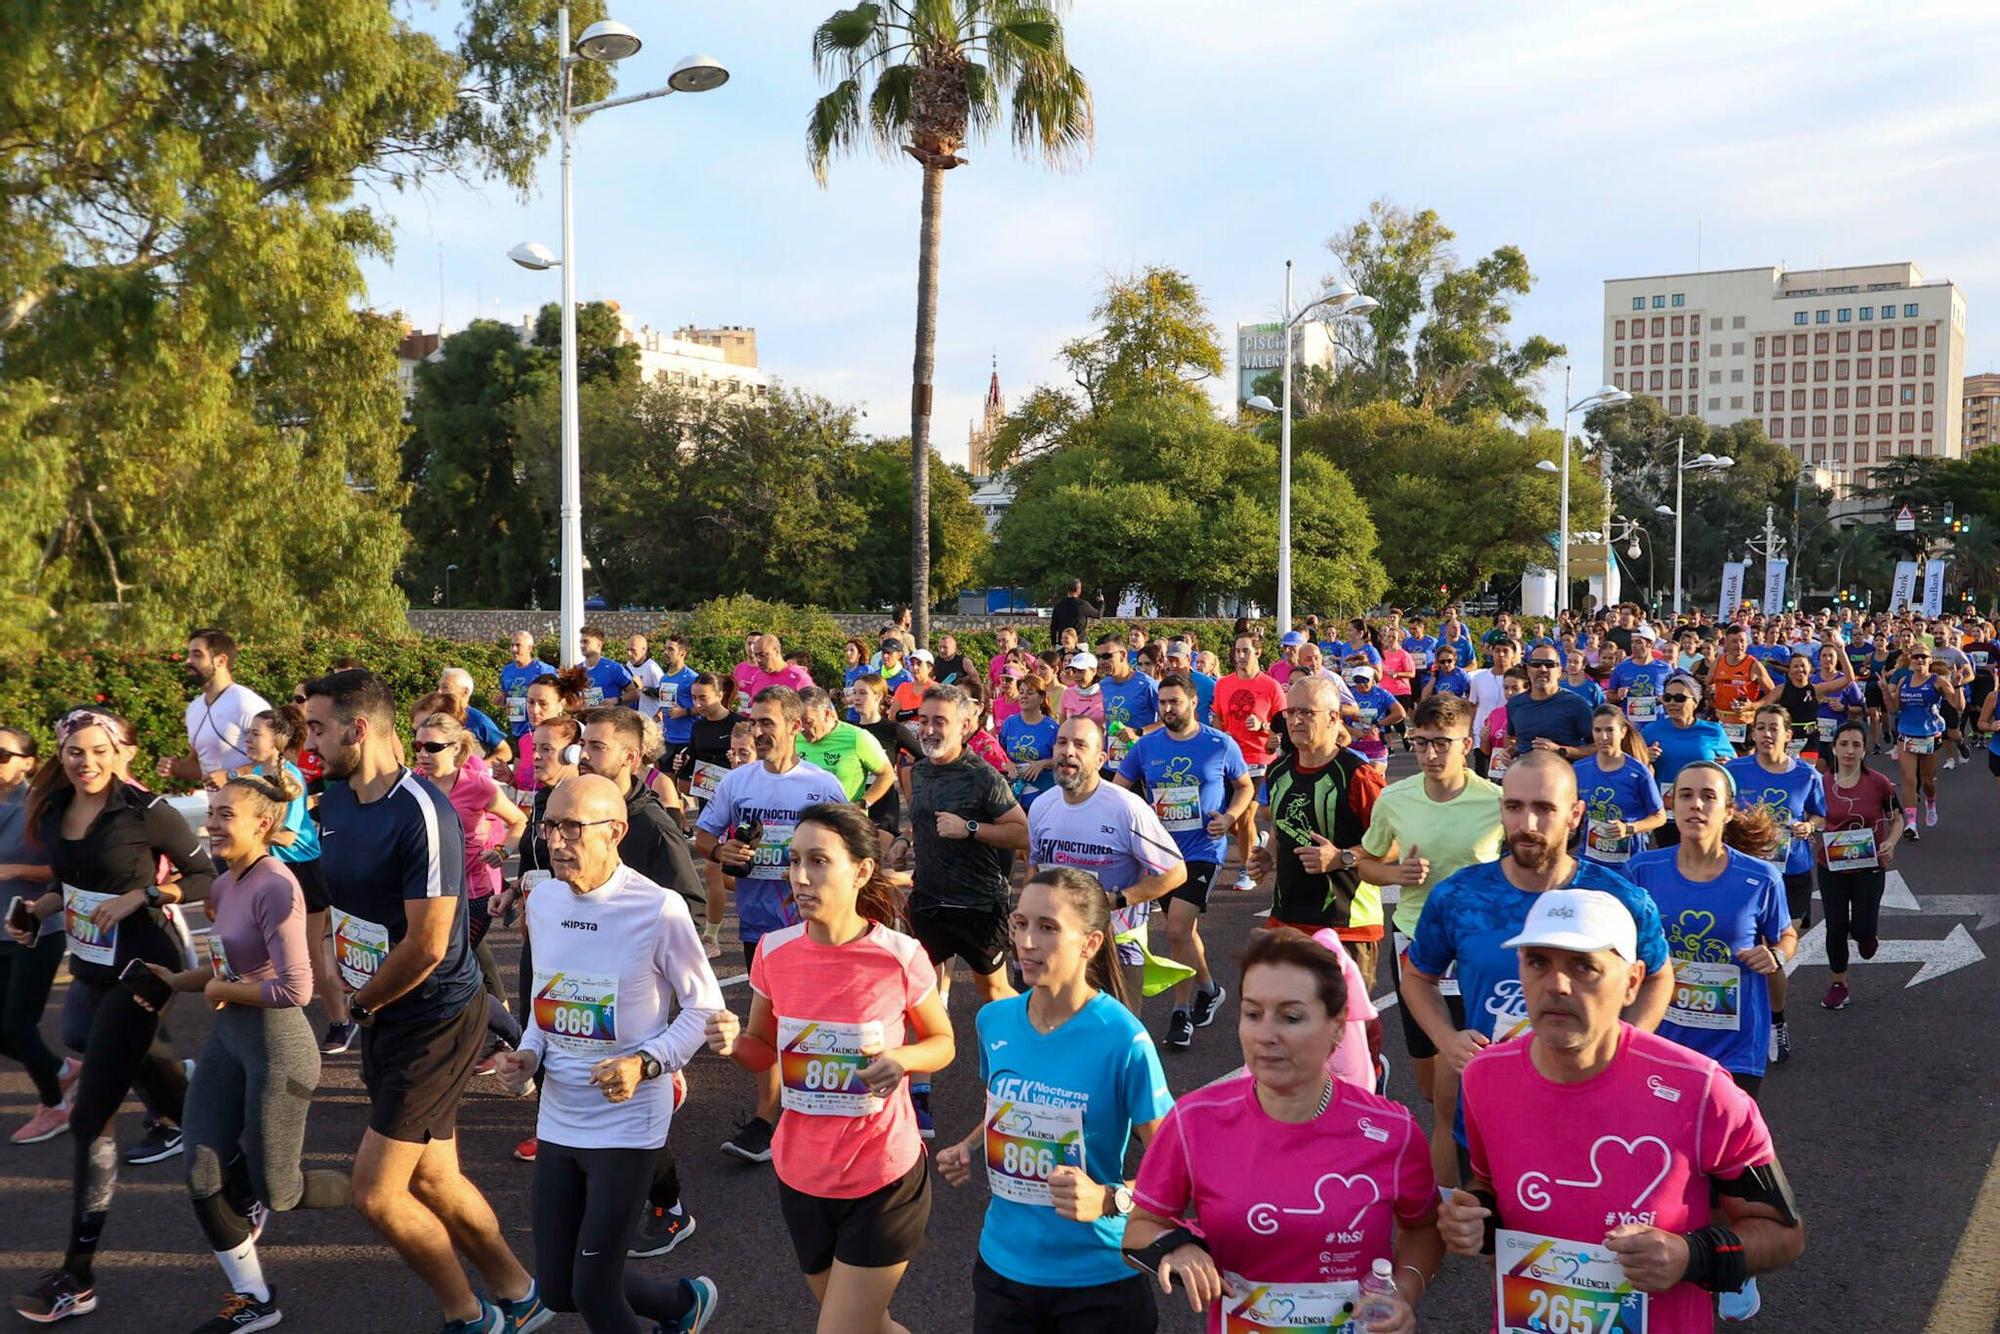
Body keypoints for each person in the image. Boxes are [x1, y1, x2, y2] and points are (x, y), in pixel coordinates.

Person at [301, 670, 550, 1334]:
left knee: (377, 1195)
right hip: (386, 1012)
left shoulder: (422, 811)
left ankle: (469, 1318)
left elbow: (430, 944)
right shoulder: (335, 797)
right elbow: (333, 895)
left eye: (319, 728)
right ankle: (522, 1294)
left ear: (358, 729)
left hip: (434, 1017)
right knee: (435, 1181)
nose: (311, 742)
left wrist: (355, 1006)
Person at [1441, 888, 1805, 1330]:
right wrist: (1475, 1219)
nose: (1556, 984)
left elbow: (1785, 1234)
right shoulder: (1484, 1077)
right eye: (1538, 962)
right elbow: (1490, 1187)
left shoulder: (1702, 1088)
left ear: (1632, 980)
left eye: (1583, 966)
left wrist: (1691, 1255)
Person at [704, 803, 953, 1334]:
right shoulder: (773, 951)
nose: (800, 876)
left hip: (882, 1174)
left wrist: (902, 1060)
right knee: (870, 1325)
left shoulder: (900, 955)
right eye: (794, 861)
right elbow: (760, 1051)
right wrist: (730, 1044)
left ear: (861, 871)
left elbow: (942, 1041)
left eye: (819, 861)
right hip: (802, 1174)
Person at [492, 774, 725, 1334]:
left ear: (615, 831)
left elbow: (704, 1008)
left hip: (628, 1121)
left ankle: (675, 1307)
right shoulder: (544, 898)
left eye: (573, 827)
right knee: (557, 1288)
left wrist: (646, 1063)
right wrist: (526, 1053)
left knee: (595, 1291)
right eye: (549, 825)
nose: (556, 840)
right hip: (559, 1114)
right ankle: (680, 1305)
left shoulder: (657, 908)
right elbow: (549, 996)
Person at [1122, 929, 1441, 1333]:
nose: (1266, 1035)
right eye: (1253, 1014)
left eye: (1291, 1017)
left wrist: (1403, 1291)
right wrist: (1176, 1247)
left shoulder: (1390, 1130)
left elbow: (1424, 1227)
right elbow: (1139, 1229)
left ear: (1337, 1027)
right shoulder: (1195, 1120)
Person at [10, 708, 215, 1323]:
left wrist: (146, 893)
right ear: (62, 753)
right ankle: (213, 1138)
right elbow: (71, 887)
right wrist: (39, 908)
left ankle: (77, 1274)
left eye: (100, 750)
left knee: (91, 1113)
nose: (88, 762)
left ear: (119, 752)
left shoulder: (144, 811)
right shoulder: (51, 810)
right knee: (93, 1041)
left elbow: (205, 874)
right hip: (92, 968)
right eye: (76, 751)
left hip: (144, 970)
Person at [1401, 751, 1672, 1187]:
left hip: (1591, 1098)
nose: (1527, 824)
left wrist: (1628, 1045)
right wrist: (1446, 1039)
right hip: (1497, 1104)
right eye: (1514, 807)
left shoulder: (1620, 898)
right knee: (1506, 1244)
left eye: (1544, 808)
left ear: (1574, 814)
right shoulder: (1459, 896)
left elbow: (1658, 974)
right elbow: (1417, 975)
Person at [147, 768, 352, 1333]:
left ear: (264, 824)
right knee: (200, 1168)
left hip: (280, 1051)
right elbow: (224, 970)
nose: (210, 825)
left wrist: (217, 990)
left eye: (223, 815)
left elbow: (296, 989)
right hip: (230, 1042)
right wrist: (177, 979)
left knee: (279, 1193)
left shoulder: (276, 885)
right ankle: (254, 1297)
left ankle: (377, 1190)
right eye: (210, 813)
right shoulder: (223, 882)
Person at [933, 867, 1172, 1332]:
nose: (1025, 942)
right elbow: (1009, 1106)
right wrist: (971, 1144)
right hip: (1004, 1270)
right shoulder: (994, 1020)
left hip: (1097, 1282)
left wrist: (1110, 1199)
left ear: (1090, 944)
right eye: (1020, 923)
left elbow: (1179, 1171)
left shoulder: (1123, 1038)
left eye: (1047, 928)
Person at [692, 686, 849, 1165]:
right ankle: (768, 1119)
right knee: (770, 1024)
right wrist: (722, 852)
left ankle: (829, 1110)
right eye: (755, 723)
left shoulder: (821, 785)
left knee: (819, 1022)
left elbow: (850, 844)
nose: (759, 732)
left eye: (768, 724)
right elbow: (703, 835)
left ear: (795, 728)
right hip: (758, 925)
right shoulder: (737, 783)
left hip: (813, 923)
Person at [1353, 694, 1503, 1109]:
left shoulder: (1497, 802)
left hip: (1478, 949)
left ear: (1466, 745)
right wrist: (1394, 874)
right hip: (1415, 945)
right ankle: (1449, 1167)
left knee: (1483, 1073)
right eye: (1421, 743)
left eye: (1442, 743)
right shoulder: (1395, 799)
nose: (1430, 754)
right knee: (1431, 1084)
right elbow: (1367, 863)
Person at [1627, 761, 1794, 1106]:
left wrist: (1776, 954)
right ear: (1673, 806)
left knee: (1727, 1154)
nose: (1696, 805)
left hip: (1736, 1046)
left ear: (1729, 811)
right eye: (1686, 795)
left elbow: (1786, 934)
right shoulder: (1642, 871)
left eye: (1708, 796)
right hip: (1662, 1041)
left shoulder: (1760, 878)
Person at [1115, 674, 1253, 1050]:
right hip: (1160, 852)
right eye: (1162, 703)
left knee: (1176, 929)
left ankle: (1182, 1012)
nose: (1167, 709)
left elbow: (1245, 786)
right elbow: (1120, 791)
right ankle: (1209, 989)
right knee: (1185, 932)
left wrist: (1229, 817)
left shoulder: (1218, 744)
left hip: (1203, 850)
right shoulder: (1146, 747)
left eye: (1174, 701)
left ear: (1193, 702)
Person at [1027, 717, 1186, 1010]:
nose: (1067, 751)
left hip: (1117, 944)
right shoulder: (1041, 806)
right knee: (1058, 1031)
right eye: (1061, 742)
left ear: (1101, 759)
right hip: (1058, 942)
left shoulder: (1126, 808)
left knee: (1117, 1041)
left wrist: (1118, 899)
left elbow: (1176, 872)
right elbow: (1035, 868)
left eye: (1080, 745)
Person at [1247, 677, 1386, 985]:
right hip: (1286, 919)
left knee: (1346, 1027)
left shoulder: (1359, 775)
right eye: (1290, 711)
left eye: (1307, 712)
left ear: (1333, 718)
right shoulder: (1278, 770)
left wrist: (1343, 857)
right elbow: (1282, 824)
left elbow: (1394, 843)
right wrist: (1269, 856)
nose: (1295, 720)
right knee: (1284, 1021)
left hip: (1345, 925)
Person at [236, 706, 353, 1056]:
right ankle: (277, 1025)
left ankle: (341, 1020)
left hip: (303, 870)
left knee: (307, 953)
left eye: (257, 733)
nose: (248, 738)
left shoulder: (291, 778)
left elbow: (287, 836)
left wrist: (248, 833)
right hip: (269, 869)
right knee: (265, 948)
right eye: (249, 732)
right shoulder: (255, 774)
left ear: (278, 741)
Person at [496, 711, 583, 1166]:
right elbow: (536, 860)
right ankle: (550, 1125)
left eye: (547, 749)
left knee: (568, 1024)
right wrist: (513, 891)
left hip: (577, 934)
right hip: (538, 927)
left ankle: (561, 1130)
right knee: (537, 1017)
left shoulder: (584, 803)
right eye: (535, 749)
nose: (537, 758)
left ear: (573, 753)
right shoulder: (543, 798)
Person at [413, 711, 528, 1040]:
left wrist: (504, 851)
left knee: (447, 964)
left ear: (455, 748)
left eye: (432, 747)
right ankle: (509, 1039)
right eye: (418, 744)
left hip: (474, 895)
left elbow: (518, 821)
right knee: (466, 964)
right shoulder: (415, 783)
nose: (422, 753)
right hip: (431, 892)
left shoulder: (477, 785)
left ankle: (504, 1037)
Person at [1726, 703, 1826, 1066]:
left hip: (1792, 875)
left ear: (1788, 735)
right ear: (1752, 733)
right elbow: (1722, 812)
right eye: (1761, 727)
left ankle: (1776, 1022)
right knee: (1744, 951)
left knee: (1773, 953)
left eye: (1774, 728)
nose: (1767, 734)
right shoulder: (1735, 771)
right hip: (1747, 876)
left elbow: (1819, 814)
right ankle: (1740, 1022)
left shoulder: (1806, 774)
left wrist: (1808, 826)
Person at [0, 729, 70, 1147]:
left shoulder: (38, 807)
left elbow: (64, 869)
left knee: (18, 1025)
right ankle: (61, 1071)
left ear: (28, 761)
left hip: (36, 929)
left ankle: (56, 1105)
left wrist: (15, 871)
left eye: (3, 754)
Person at [1212, 634, 1285, 891]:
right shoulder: (1223, 684)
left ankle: (1246, 867)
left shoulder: (1271, 686)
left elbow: (1282, 726)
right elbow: (1218, 718)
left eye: (1245, 651)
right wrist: (1222, 735)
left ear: (1258, 652)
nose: (1240, 656)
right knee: (1229, 819)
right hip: (1230, 758)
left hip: (1259, 759)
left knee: (1243, 817)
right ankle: (1256, 842)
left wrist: (1263, 726)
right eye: (1237, 651)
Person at [160, 628, 272, 789]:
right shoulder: (193, 709)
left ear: (221, 660)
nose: (188, 661)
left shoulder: (245, 702)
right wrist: (175, 768)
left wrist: (231, 775)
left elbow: (278, 759)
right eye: (189, 654)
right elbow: (203, 768)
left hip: (254, 809)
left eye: (197, 654)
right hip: (220, 810)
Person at [1641, 673, 1736, 839]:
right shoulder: (1651, 730)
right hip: (1666, 811)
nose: (1672, 703)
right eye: (1667, 697)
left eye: (1679, 698)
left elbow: (1733, 765)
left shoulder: (1713, 730)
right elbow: (1634, 765)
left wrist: (1727, 763)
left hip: (1702, 810)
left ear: (1695, 702)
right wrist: (1645, 758)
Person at [1574, 705, 1667, 868]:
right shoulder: (1579, 769)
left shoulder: (1638, 773)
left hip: (1627, 863)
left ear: (1623, 732)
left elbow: (1660, 817)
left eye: (1610, 730)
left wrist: (1628, 829)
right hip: (1589, 861)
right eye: (1597, 730)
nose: (1603, 737)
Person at [1883, 643, 1959, 835]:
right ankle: (1911, 824)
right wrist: (1885, 691)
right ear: (1911, 660)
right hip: (1906, 735)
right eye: (1916, 657)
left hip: (1928, 735)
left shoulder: (1938, 681)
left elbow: (1958, 705)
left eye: (1923, 657)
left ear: (1930, 660)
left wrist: (1957, 685)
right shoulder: (1904, 681)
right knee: (1909, 780)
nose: (1919, 660)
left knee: (1927, 782)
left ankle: (1930, 802)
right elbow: (1893, 709)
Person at [796, 688, 897, 808]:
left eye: (808, 722)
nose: (802, 729)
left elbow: (887, 774)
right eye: (798, 723)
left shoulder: (856, 737)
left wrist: (862, 804)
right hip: (803, 820)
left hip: (842, 822)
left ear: (827, 714)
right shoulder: (793, 736)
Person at [1504, 644, 1596, 761]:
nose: (1542, 669)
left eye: (1549, 665)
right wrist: (1509, 753)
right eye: (1536, 664)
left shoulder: (1576, 704)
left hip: (1563, 776)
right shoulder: (1514, 704)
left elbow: (1596, 747)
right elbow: (1512, 738)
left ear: (1559, 671)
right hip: (1525, 776)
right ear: (1528, 670)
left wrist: (1560, 750)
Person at [496, 631, 558, 755]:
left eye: (518, 645)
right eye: (512, 645)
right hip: (516, 729)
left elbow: (557, 696)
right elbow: (505, 695)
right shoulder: (506, 671)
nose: (513, 649)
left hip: (538, 729)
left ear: (530, 648)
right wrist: (501, 699)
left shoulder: (543, 670)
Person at [438, 668, 511, 763]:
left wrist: (480, 768)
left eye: (445, 687)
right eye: (439, 687)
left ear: (465, 692)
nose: (439, 692)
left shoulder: (478, 720)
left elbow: (505, 752)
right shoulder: (437, 717)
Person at [1607, 624, 1673, 728]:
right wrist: (1618, 696)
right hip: (1630, 725)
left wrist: (1664, 699)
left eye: (1638, 642)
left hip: (1657, 724)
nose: (1633, 646)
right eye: (1632, 642)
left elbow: (1673, 695)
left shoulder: (1665, 669)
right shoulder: (1621, 668)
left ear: (1650, 644)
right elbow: (1610, 695)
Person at [579, 625, 636, 709]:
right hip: (586, 720)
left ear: (599, 644)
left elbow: (634, 693)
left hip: (609, 719)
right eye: (581, 642)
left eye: (586, 642)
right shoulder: (577, 670)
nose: (582, 645)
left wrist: (616, 700)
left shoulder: (613, 668)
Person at [742, 634, 815, 696]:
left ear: (777, 651)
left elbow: (812, 710)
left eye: (762, 655)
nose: (758, 660)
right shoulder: (758, 676)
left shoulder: (799, 678)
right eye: (756, 655)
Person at [1050, 579, 1098, 645]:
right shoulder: (1083, 605)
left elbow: (1053, 627)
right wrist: (1101, 603)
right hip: (1080, 642)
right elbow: (1098, 615)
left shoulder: (1059, 605)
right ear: (1078, 589)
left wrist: (1053, 643)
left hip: (1063, 643)